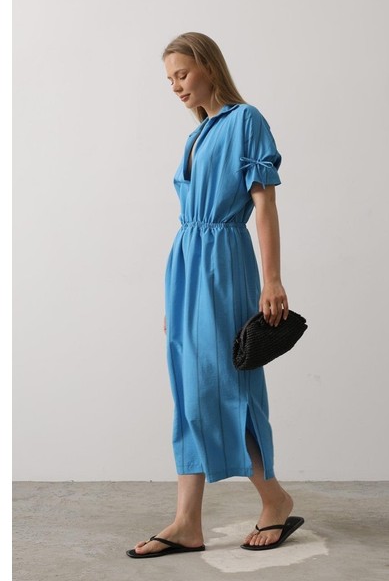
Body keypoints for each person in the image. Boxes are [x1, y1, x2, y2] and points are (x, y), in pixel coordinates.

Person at [126, 32, 304, 559]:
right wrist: (176, 298)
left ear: (208, 66)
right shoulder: (197, 134)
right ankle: (187, 522)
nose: (175, 86)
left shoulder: (246, 120)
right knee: (189, 388)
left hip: (224, 262)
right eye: (169, 79)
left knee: (227, 383)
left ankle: (274, 499)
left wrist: (273, 279)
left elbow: (264, 205)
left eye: (182, 74)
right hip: (186, 265)